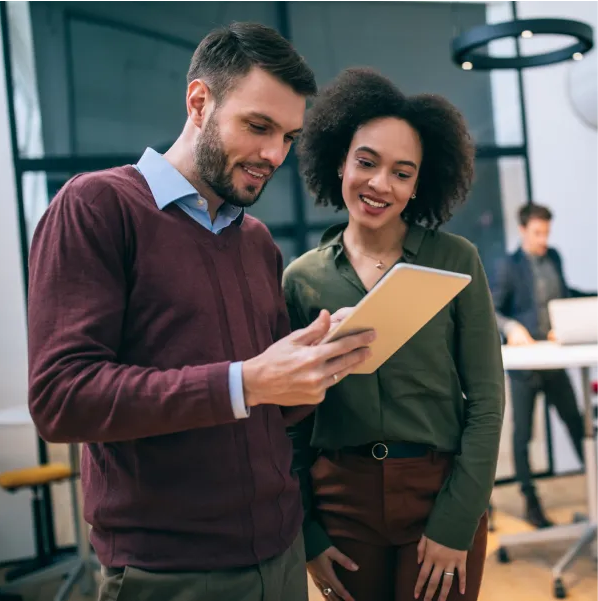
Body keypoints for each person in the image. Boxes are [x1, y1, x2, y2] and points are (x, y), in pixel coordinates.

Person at [26, 23, 374, 601]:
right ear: (198, 103)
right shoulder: (96, 206)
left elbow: (265, 407)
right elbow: (62, 399)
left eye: (288, 136)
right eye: (258, 126)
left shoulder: (257, 240)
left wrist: (311, 376)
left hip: (281, 553)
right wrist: (246, 382)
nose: (273, 154)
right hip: (170, 571)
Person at [283, 68, 505, 601]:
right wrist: (308, 532)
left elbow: (487, 402)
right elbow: (288, 422)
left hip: (441, 492)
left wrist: (457, 520)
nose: (381, 184)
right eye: (366, 162)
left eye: (402, 173)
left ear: (418, 185)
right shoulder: (301, 279)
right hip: (342, 501)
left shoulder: (457, 261)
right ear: (340, 160)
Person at [491, 203, 592, 529]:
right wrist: (512, 328)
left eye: (546, 232)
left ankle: (594, 487)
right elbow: (493, 310)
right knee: (523, 436)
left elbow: (563, 295)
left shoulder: (554, 258)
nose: (543, 239)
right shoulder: (508, 266)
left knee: (577, 425)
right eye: (537, 233)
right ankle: (531, 502)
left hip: (554, 360)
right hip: (525, 366)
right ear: (522, 231)